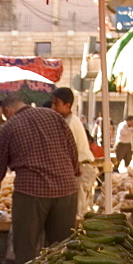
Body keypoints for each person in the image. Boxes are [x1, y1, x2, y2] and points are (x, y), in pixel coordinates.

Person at [0, 92, 79, 264]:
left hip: (31, 193)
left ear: (8, 110)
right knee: (63, 247)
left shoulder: (9, 127)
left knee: (26, 248)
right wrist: (73, 174)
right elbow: (72, 149)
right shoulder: (53, 116)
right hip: (66, 190)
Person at [51, 87, 97, 217]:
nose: (53, 108)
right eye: (52, 103)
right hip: (77, 169)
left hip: (81, 169)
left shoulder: (70, 123)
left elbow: (64, 152)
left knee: (77, 214)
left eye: (57, 104)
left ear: (67, 105)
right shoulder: (65, 121)